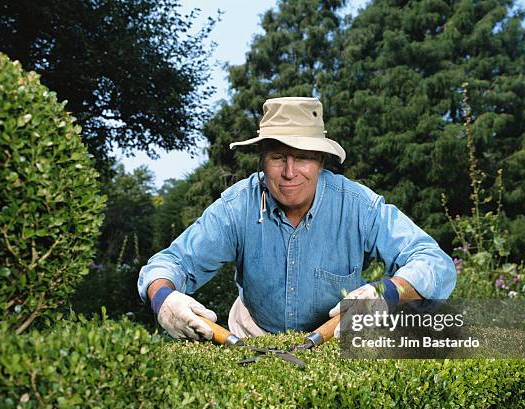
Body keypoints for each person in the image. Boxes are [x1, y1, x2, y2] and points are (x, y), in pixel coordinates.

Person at [138, 96, 456, 341]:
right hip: (251, 337)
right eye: (278, 157)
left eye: (302, 157)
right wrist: (164, 300)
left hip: (339, 341)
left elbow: (434, 262)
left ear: (320, 160)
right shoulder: (237, 206)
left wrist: (385, 293)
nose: (290, 172)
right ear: (262, 160)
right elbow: (171, 263)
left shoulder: (359, 206)